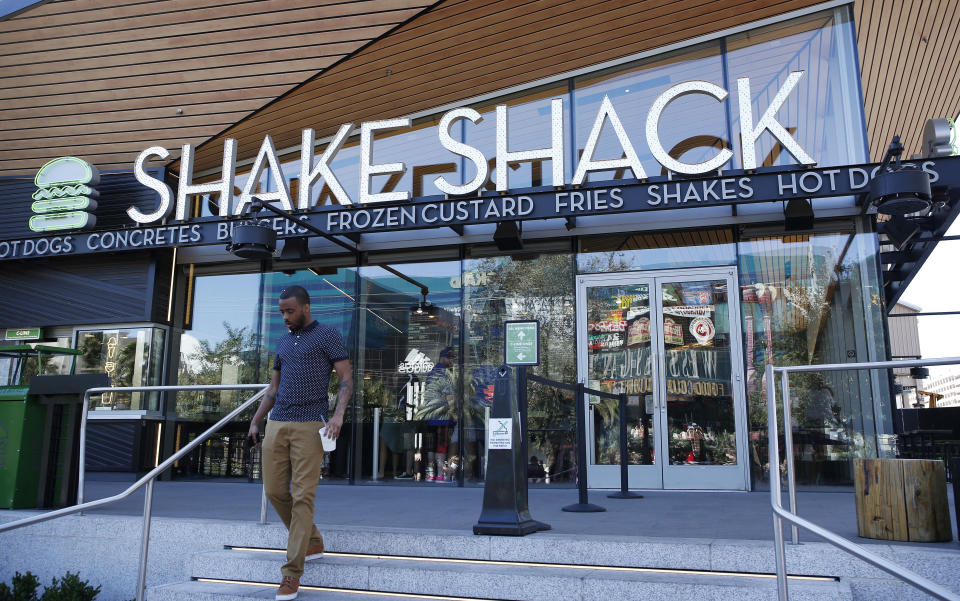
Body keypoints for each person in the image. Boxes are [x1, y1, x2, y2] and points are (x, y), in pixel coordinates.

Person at [248, 285, 352, 601]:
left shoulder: (328, 335)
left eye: (289, 311)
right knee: (275, 491)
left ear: (305, 307)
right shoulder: (282, 341)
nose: (285, 317)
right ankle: (313, 539)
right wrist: (256, 419)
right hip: (277, 422)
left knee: (303, 495)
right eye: (281, 311)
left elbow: (346, 377)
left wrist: (338, 416)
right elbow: (273, 387)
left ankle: (291, 574)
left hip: (310, 423)